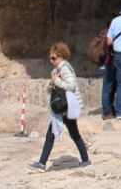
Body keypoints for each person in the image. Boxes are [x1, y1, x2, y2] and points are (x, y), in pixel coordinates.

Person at [29, 42, 90, 172]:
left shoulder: (65, 69)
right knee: (66, 134)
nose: (51, 61)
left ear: (61, 56)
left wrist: (57, 81)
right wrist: (52, 82)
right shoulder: (57, 70)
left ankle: (42, 164)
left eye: (53, 58)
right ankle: (85, 160)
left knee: (61, 134)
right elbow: (50, 89)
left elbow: (71, 86)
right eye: (50, 58)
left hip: (66, 107)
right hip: (62, 107)